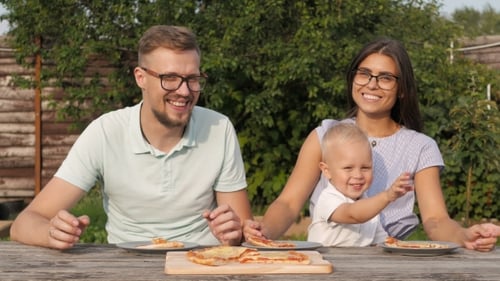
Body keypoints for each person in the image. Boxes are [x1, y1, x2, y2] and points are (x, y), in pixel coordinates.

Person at [10, 25, 252, 249]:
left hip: (204, 263)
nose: (184, 91)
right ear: (141, 78)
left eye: (193, 79)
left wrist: (234, 232)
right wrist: (51, 233)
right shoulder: (105, 133)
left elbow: (243, 231)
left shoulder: (219, 128)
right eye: (169, 78)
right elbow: (24, 223)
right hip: (126, 265)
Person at [244, 38, 498, 251]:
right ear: (353, 78)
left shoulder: (421, 146)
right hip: (330, 259)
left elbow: (435, 219)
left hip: (389, 263)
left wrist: (464, 236)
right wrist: (264, 230)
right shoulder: (325, 135)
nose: (372, 84)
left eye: (385, 77)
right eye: (364, 74)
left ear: (402, 89)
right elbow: (288, 204)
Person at [308, 123, 413, 246]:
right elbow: (352, 214)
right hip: (323, 260)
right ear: (327, 171)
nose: (358, 175)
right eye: (348, 168)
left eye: (365, 168)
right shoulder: (328, 198)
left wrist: (402, 247)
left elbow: (383, 241)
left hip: (357, 262)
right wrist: (387, 196)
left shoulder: (368, 205)